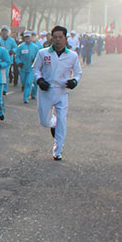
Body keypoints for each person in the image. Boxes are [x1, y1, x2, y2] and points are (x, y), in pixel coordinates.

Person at [33, 26, 81, 160]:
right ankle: (52, 123)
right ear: (51, 38)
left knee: (62, 121)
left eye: (61, 37)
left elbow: (78, 73)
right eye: (55, 37)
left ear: (66, 39)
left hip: (62, 91)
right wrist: (40, 80)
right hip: (46, 91)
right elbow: (35, 69)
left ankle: (58, 151)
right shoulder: (43, 53)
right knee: (44, 121)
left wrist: (74, 81)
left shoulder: (72, 56)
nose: (58, 40)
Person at [16, 31, 41, 104]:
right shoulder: (20, 47)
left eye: (28, 37)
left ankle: (26, 98)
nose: (27, 39)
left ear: (31, 38)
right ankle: (31, 89)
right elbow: (17, 56)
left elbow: (38, 57)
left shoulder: (35, 47)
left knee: (28, 82)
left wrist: (35, 62)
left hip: (31, 68)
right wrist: (19, 62)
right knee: (24, 82)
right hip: (23, 68)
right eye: (26, 37)